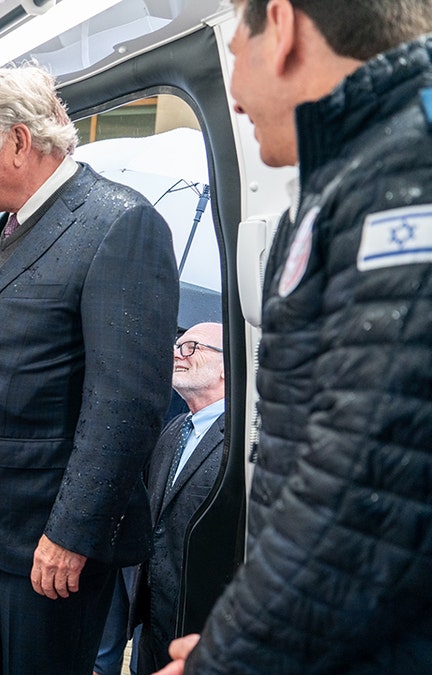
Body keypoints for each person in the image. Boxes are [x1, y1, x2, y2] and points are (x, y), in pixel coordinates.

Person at [157, 1, 432, 673]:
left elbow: (364, 488)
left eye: (233, 63)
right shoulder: (349, 173)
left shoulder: (405, 172)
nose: (239, 102)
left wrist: (229, 653)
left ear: (280, 26)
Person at [0, 64, 179, 674]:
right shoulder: (2, 232)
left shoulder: (118, 222)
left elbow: (126, 403)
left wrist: (71, 535)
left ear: (17, 140)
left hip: (43, 542)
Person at [127, 323, 226, 673]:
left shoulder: (244, 438)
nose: (175, 354)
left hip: (203, 622)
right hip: (153, 619)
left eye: (191, 347)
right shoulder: (174, 429)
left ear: (226, 365)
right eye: (175, 345)